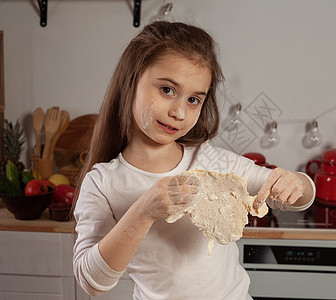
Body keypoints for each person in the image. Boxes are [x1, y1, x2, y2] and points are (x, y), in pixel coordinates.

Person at [73, 21, 316, 300]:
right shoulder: (103, 183)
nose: (179, 112)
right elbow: (91, 282)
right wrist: (144, 211)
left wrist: (296, 183)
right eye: (167, 90)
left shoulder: (211, 161)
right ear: (131, 82)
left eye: (193, 100)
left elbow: (294, 197)